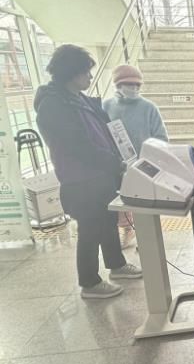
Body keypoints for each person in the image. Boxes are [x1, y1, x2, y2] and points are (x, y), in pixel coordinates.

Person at [34, 45, 142, 299]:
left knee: (107, 221)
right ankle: (90, 283)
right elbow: (78, 145)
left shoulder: (79, 98)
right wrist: (113, 162)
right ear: (71, 71)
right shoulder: (53, 105)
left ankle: (116, 265)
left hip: (101, 175)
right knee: (90, 228)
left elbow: (104, 129)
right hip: (80, 180)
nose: (90, 77)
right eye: (85, 72)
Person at [103, 64, 168, 248]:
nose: (133, 88)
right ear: (117, 85)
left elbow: (161, 137)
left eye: (136, 85)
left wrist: (150, 157)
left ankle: (147, 236)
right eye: (128, 84)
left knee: (146, 202)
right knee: (123, 202)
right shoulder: (106, 106)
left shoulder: (149, 108)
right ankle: (127, 230)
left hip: (144, 165)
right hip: (117, 165)